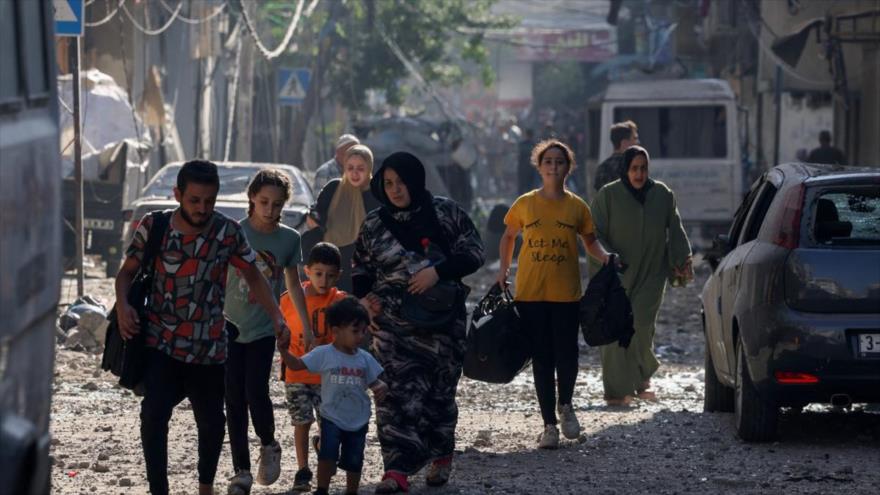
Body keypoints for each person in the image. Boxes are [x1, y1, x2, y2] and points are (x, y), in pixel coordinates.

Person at [114, 160, 290, 495]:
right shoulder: (155, 226)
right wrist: (123, 306)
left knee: (211, 424)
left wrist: (277, 316)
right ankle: (158, 489)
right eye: (194, 200)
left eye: (209, 200)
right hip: (161, 344)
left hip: (209, 348)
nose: (202, 208)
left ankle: (205, 486)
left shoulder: (227, 232)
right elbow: (127, 273)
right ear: (178, 194)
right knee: (153, 415)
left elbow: (253, 275)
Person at [351, 151, 485, 493]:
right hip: (392, 325)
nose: (395, 190)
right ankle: (396, 469)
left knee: (438, 394)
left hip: (443, 323)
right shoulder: (374, 223)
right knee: (393, 395)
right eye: (388, 183)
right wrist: (365, 302)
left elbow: (474, 253)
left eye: (402, 182)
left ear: (416, 180)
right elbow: (361, 268)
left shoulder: (445, 212)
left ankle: (440, 455)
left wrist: (436, 272)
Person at [496, 139, 613, 449]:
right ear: (540, 166)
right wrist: (503, 271)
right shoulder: (524, 203)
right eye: (548, 161)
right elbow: (509, 237)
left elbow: (590, 243)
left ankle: (566, 406)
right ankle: (549, 424)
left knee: (568, 354)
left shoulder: (577, 206)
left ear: (567, 167)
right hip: (531, 293)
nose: (553, 166)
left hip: (566, 294)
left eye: (559, 162)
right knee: (542, 358)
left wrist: (607, 258)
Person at [223, 169, 313, 494]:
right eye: (264, 202)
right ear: (251, 198)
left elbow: (293, 283)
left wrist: (301, 324)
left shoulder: (289, 239)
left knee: (255, 390)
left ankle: (268, 443)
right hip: (229, 323)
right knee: (232, 397)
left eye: (277, 205)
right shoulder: (234, 233)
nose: (270, 210)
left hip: (265, 326)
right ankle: (241, 471)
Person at [589, 145, 692, 406]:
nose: (639, 173)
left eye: (643, 168)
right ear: (626, 169)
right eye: (634, 168)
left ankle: (641, 378)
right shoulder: (608, 195)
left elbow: (676, 229)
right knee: (615, 329)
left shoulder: (662, 194)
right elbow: (594, 233)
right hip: (617, 274)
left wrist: (681, 260)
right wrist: (607, 257)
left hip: (651, 273)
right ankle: (616, 390)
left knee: (642, 326)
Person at [278, 297, 388, 495]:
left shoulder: (365, 359)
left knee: (354, 460)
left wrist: (380, 386)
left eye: (363, 331)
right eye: (355, 331)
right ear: (336, 331)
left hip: (358, 419)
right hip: (331, 417)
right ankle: (322, 489)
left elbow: (374, 382)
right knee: (327, 455)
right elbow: (296, 365)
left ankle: (351, 491)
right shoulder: (324, 354)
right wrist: (283, 350)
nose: (361, 336)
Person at [279, 242, 347, 493]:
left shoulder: (340, 301)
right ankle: (302, 469)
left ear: (338, 275)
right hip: (296, 373)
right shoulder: (288, 299)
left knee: (329, 423)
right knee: (301, 421)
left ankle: (323, 447)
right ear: (307, 271)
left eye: (330, 275)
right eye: (318, 273)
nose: (324, 279)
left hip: (327, 377)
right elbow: (281, 329)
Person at [307, 144, 381, 292]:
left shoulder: (377, 195)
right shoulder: (333, 188)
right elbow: (316, 214)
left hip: (362, 264)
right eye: (350, 168)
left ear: (369, 168)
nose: (354, 173)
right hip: (331, 263)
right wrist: (314, 219)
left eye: (360, 169)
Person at [593, 120, 639, 192]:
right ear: (624, 143)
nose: (637, 143)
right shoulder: (633, 167)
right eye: (634, 139)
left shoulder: (602, 168)